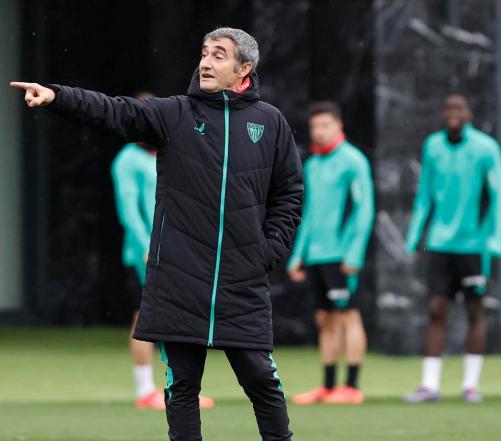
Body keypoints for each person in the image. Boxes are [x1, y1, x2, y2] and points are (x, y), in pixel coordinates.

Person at [12, 26, 302, 441]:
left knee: (262, 380)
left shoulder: (269, 122)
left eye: (218, 55)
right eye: (203, 52)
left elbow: (289, 194)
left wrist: (267, 251)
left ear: (244, 68)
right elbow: (115, 111)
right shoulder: (175, 114)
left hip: (243, 280)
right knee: (182, 386)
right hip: (179, 278)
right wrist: (58, 96)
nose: (205, 61)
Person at [111, 91, 215, 409]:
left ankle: (179, 389)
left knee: (175, 316)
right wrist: (147, 246)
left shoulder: (166, 151)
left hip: (175, 250)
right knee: (146, 317)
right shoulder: (129, 159)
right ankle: (146, 390)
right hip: (145, 252)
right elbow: (128, 208)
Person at [403, 94, 501, 404]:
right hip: (439, 244)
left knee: (475, 311)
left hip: (474, 246)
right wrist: (413, 238)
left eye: (459, 108)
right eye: (448, 108)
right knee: (436, 308)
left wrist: (494, 240)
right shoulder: (433, 145)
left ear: (469, 114)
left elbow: (498, 196)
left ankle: (470, 385)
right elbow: (424, 196)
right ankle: (429, 385)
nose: (453, 113)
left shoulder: (485, 148)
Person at [287, 102, 375, 405]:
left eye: (325, 126)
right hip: (317, 257)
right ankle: (327, 386)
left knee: (349, 315)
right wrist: (299, 254)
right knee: (324, 319)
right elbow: (309, 214)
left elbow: (364, 210)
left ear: (338, 126)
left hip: (342, 256)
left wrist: (354, 254)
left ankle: (351, 387)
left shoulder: (354, 161)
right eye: (315, 127)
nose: (319, 132)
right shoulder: (312, 165)